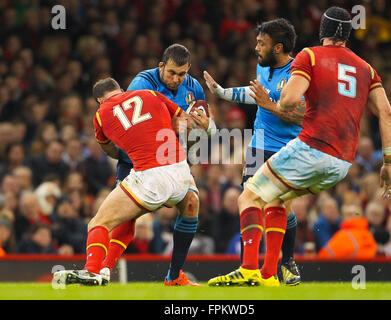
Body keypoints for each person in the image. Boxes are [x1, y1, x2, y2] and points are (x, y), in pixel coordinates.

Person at [208, 6, 391, 287]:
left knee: (247, 197)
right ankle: (271, 274)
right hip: (342, 163)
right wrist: (389, 163)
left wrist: (272, 102)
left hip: (310, 148)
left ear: (323, 31)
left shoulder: (309, 56)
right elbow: (387, 114)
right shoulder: (366, 69)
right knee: (278, 200)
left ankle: (249, 269)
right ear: (347, 34)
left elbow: (288, 101)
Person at [54, 77, 198, 286]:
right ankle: (171, 274)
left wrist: (127, 149)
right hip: (180, 170)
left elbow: (108, 148)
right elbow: (184, 121)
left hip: (150, 176)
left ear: (99, 101)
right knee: (186, 208)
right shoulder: (150, 93)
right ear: (121, 89)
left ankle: (92, 270)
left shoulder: (101, 115)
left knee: (99, 222)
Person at [98, 44, 216, 286]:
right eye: (171, 72)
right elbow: (137, 131)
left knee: (192, 204)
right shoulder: (142, 84)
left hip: (171, 161)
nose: (176, 79)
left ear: (189, 70)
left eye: (182, 74)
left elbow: (204, 132)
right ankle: (103, 272)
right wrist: (181, 125)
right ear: (161, 66)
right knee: (127, 219)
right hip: (136, 163)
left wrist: (206, 128)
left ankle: (174, 276)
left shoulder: (194, 89)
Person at [204, 18, 304, 285]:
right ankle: (267, 271)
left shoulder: (299, 74)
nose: (256, 47)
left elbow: (303, 116)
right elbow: (257, 93)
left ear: (279, 47)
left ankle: (268, 269)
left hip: (287, 148)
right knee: (252, 199)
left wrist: (269, 104)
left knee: (276, 203)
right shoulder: (265, 67)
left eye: (262, 43)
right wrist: (223, 93)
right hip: (259, 145)